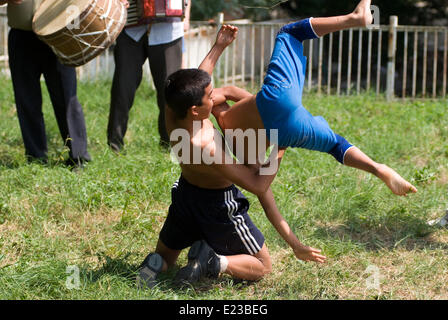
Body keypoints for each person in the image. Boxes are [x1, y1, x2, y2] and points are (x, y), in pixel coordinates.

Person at [136, 25, 326, 289]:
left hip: (185, 197)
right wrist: (281, 145)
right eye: (209, 97)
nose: (213, 97)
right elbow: (259, 185)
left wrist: (219, 46)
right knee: (262, 266)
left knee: (167, 256)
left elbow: (200, 79)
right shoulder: (206, 148)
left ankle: (151, 268)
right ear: (195, 110)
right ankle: (214, 261)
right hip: (218, 206)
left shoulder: (172, 111)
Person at [211, 0, 418, 197]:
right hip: (276, 101)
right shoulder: (222, 99)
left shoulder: (240, 151)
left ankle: (377, 169)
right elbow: (213, 88)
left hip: (288, 129)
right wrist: (218, 48)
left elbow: (261, 183)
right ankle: (355, 17)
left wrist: (280, 144)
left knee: (335, 145)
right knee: (289, 33)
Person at [2, 0, 91, 168]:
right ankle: (36, 158)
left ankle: (78, 157)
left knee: (67, 97)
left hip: (59, 33)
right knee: (26, 100)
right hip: (22, 35)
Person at [107, 0, 191, 152]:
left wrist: (187, 16)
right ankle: (114, 146)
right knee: (122, 88)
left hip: (168, 29)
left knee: (169, 90)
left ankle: (169, 145)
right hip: (130, 27)